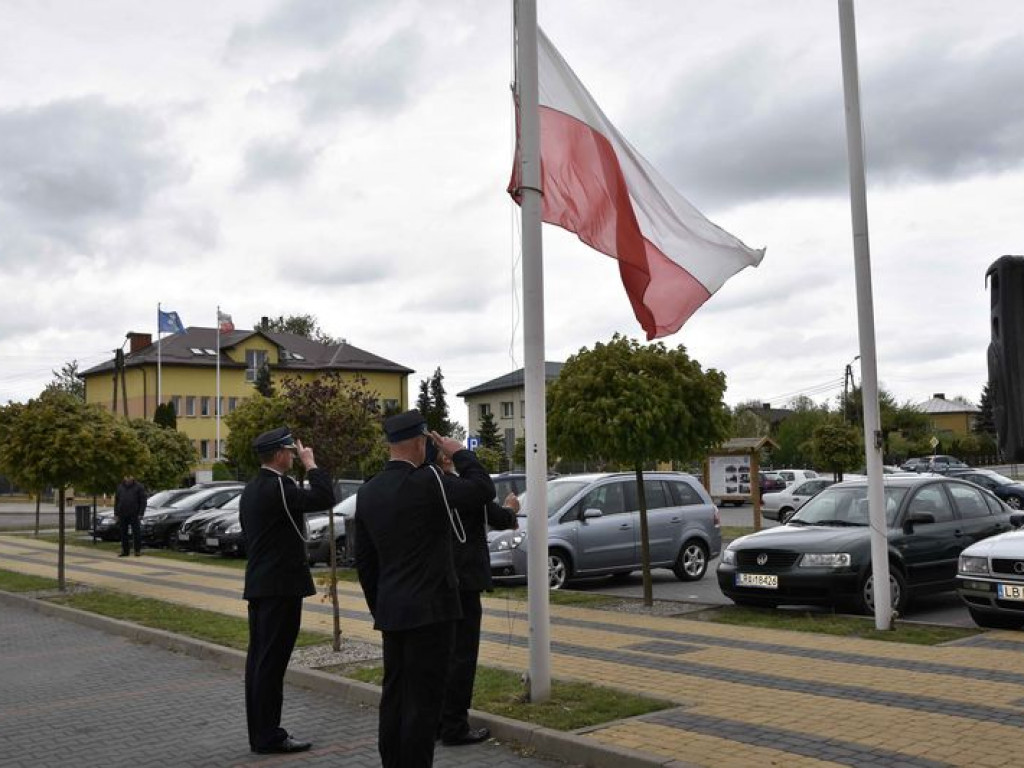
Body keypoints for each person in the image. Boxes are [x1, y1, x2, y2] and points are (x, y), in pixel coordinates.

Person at [354, 409, 495, 768]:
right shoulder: (428, 480)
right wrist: (460, 453)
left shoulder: (368, 491)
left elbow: (365, 563)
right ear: (420, 443)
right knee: (423, 701)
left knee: (394, 696)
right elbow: (482, 489)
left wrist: (381, 606)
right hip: (432, 612)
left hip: (392, 610)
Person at [240, 426, 334, 755]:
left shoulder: (253, 487)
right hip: (279, 587)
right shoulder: (279, 486)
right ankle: (269, 735)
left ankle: (261, 733)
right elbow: (324, 498)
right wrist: (312, 465)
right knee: (271, 663)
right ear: (280, 454)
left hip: (262, 583)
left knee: (260, 661)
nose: (294, 456)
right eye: (291, 452)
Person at [435, 447, 519, 746]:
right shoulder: (460, 487)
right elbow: (497, 513)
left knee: (440, 656)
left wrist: (507, 514)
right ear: (446, 458)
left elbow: (493, 514)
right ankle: (454, 725)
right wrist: (511, 510)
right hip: (464, 582)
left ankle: (438, 722)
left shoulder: (422, 486)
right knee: (462, 655)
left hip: (434, 584)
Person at [114, 474, 147, 557]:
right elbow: (116, 501)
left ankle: (137, 550)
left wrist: (141, 513)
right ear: (124, 477)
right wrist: (116, 514)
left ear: (133, 477)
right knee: (123, 533)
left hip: (134, 514)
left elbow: (143, 501)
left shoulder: (139, 487)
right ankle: (125, 551)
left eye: (130, 476)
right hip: (122, 513)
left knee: (136, 532)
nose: (128, 478)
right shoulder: (120, 487)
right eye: (126, 476)